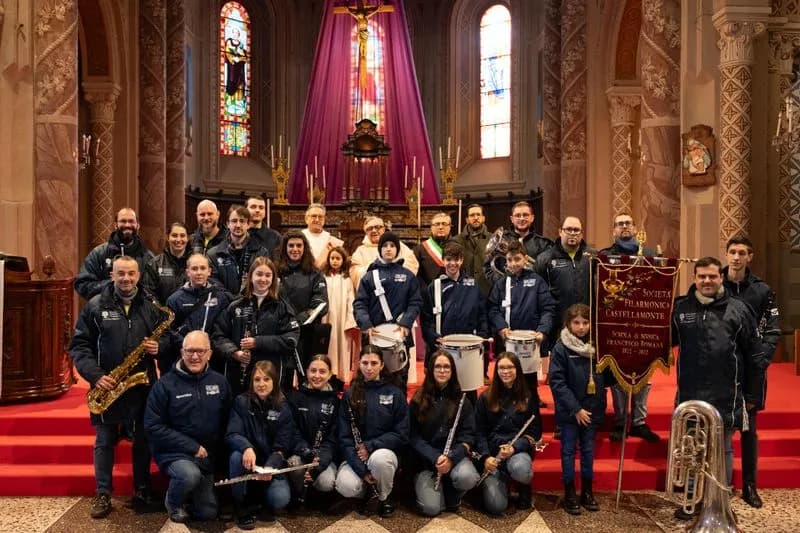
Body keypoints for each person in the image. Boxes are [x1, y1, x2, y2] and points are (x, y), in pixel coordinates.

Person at [69, 255, 169, 519]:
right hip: (108, 385)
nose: (126, 278)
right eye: (121, 273)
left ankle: (142, 488)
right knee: (104, 440)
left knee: (142, 440)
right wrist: (96, 376)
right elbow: (79, 346)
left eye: (131, 274)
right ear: (112, 275)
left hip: (140, 385)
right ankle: (103, 492)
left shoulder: (150, 305)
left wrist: (161, 346)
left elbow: (169, 336)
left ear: (138, 276)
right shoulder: (95, 305)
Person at [671, 256, 766, 520]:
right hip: (690, 394)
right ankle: (693, 500)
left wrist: (753, 395)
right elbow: (660, 342)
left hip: (727, 393)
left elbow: (755, 356)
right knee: (691, 451)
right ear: (694, 278)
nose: (707, 281)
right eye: (702, 276)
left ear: (720, 277)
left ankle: (720, 503)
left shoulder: (739, 310)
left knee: (723, 450)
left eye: (712, 276)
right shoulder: (680, 309)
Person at [144, 331, 232, 524]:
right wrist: (191, 447)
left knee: (208, 513)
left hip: (207, 456)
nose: (194, 357)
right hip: (174, 453)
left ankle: (193, 496)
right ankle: (173, 503)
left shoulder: (220, 382)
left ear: (209, 353)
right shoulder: (164, 385)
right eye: (190, 351)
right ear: (181, 352)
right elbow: (153, 426)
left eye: (200, 351)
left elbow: (228, 420)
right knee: (188, 475)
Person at [723, 236, 781, 508]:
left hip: (750, 372)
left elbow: (772, 328)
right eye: (732, 252)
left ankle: (749, 485)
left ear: (750, 257)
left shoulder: (762, 290)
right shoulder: (714, 283)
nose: (736, 257)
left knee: (749, 431)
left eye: (741, 252)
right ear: (726, 255)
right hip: (719, 369)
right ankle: (717, 483)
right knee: (717, 429)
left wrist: (761, 359)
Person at [599, 213, 660, 443]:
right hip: (617, 324)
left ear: (635, 228)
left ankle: (639, 422)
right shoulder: (604, 256)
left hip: (645, 323)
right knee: (617, 374)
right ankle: (620, 420)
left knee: (645, 373)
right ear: (613, 230)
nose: (624, 227)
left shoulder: (652, 254)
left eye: (627, 223)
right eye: (619, 224)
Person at [548, 304, 615, 515]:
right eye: (576, 323)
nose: (581, 327)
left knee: (588, 451)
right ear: (568, 324)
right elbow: (557, 382)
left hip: (593, 408)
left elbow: (608, 378)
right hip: (571, 412)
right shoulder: (561, 348)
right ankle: (569, 492)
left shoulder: (599, 347)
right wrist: (576, 409)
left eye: (585, 323)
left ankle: (587, 491)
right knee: (568, 451)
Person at [335, 346, 409, 518]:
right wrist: (361, 469)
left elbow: (402, 434)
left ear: (382, 365)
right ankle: (367, 490)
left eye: (374, 363)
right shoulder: (350, 394)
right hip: (357, 455)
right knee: (345, 485)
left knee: (380, 460)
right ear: (359, 364)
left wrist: (370, 446)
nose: (369, 368)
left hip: (384, 453)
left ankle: (384, 497)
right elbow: (345, 438)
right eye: (365, 363)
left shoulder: (395, 393)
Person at [212, 257, 300, 396]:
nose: (263, 279)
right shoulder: (235, 305)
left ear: (273, 278)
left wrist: (258, 342)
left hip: (271, 374)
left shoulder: (281, 306)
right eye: (259, 274)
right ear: (251, 276)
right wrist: (234, 352)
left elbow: (291, 339)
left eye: (268, 275)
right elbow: (218, 335)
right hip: (239, 374)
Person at [409, 350, 480, 517]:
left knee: (468, 477)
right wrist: (435, 457)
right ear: (431, 370)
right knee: (432, 509)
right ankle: (438, 491)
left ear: (452, 371)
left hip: (453, 458)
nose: (442, 371)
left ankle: (452, 493)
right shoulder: (418, 399)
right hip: (427, 461)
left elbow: (468, 436)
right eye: (438, 367)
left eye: (447, 367)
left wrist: (451, 457)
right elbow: (413, 436)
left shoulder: (463, 400)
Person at [225, 360, 295, 529]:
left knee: (280, 499)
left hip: (270, 462)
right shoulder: (241, 402)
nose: (261, 384)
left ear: (274, 381)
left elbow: (282, 447)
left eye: (266, 379)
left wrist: (270, 467)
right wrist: (246, 447)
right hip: (248, 461)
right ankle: (240, 506)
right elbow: (232, 433)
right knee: (236, 456)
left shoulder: (283, 407)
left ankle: (261, 499)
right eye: (257, 380)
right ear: (251, 382)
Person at [535, 216, 594, 407]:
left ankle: (585, 409)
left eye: (576, 230)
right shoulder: (545, 258)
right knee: (560, 373)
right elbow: (540, 294)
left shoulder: (592, 257)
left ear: (582, 233)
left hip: (586, 325)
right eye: (568, 229)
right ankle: (564, 412)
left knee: (584, 371)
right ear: (560, 231)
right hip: (558, 325)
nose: (572, 233)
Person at [488, 240, 556, 404]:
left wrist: (543, 330)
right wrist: (501, 327)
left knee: (529, 372)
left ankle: (532, 397)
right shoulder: (501, 283)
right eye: (509, 260)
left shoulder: (537, 281)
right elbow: (492, 309)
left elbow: (548, 308)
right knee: (506, 369)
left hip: (530, 338)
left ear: (525, 259)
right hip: (507, 338)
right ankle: (507, 397)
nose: (513, 263)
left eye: (517, 259)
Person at [353, 231, 423, 391]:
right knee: (372, 381)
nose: (389, 249)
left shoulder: (408, 276)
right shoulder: (369, 276)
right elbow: (360, 303)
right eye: (385, 246)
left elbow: (415, 302)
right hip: (374, 334)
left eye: (392, 246)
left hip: (400, 335)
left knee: (399, 381)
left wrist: (406, 322)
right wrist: (366, 324)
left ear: (398, 249)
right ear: (379, 249)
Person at [474, 352, 542, 515]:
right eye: (501, 368)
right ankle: (501, 479)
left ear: (517, 369)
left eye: (510, 367)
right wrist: (485, 457)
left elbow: (535, 431)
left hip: (517, 452)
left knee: (521, 470)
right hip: (493, 453)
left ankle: (523, 485)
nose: (506, 371)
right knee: (496, 507)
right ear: (496, 370)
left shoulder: (528, 396)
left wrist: (515, 447)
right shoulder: (485, 397)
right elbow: (479, 432)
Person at [420, 242, 488, 392]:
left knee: (468, 391)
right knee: (442, 392)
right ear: (443, 260)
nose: (452, 263)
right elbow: (426, 319)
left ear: (461, 260)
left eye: (456, 259)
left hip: (468, 349)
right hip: (442, 348)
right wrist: (433, 338)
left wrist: (482, 335)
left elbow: (482, 313)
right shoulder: (434, 286)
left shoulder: (473, 284)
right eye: (449, 259)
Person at [274, 230, 329, 392]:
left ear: (305, 248)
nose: (295, 249)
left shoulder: (315, 273)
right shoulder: (275, 271)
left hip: (306, 332)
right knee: (282, 376)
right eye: (291, 245)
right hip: (281, 332)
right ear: (285, 248)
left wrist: (301, 319)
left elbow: (321, 303)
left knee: (306, 375)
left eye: (299, 245)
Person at [286, 355, 343, 506]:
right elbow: (291, 431)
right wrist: (307, 452)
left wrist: (320, 461)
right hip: (301, 453)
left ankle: (315, 496)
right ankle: (299, 495)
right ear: (307, 372)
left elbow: (333, 438)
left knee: (326, 482)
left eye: (322, 372)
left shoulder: (336, 402)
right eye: (313, 371)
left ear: (330, 374)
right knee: (295, 465)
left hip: (323, 456)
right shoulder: (294, 397)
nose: (317, 376)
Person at [166, 253, 232, 374]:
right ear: (187, 272)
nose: (199, 272)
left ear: (209, 271)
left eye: (203, 268)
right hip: (187, 358)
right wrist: (189, 347)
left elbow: (225, 329)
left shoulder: (222, 297)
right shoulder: (174, 300)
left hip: (214, 358)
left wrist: (210, 347)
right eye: (194, 268)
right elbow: (170, 331)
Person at [75, 207, 155, 300]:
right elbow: (82, 285)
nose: (127, 225)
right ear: (115, 225)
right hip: (106, 310)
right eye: (123, 221)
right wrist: (112, 284)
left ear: (138, 225)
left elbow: (154, 290)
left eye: (131, 221)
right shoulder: (99, 253)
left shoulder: (148, 257)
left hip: (139, 311)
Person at [207, 205, 270, 296]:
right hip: (223, 305)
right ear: (228, 224)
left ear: (248, 224)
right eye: (234, 221)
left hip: (250, 303)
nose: (238, 225)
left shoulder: (261, 253)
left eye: (242, 221)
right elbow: (213, 282)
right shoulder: (213, 254)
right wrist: (231, 300)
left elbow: (263, 281)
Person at [486, 201, 553, 285]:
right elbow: (488, 267)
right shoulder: (501, 239)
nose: (521, 218)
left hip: (534, 292)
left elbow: (550, 271)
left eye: (525, 215)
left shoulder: (544, 244)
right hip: (507, 291)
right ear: (512, 219)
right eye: (517, 215)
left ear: (532, 218)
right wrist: (503, 281)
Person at [321, 246, 359, 380]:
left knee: (342, 348)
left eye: (338, 258)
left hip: (342, 320)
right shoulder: (323, 278)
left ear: (343, 260)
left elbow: (351, 301)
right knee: (327, 348)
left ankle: (340, 378)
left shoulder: (346, 279)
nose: (335, 261)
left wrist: (350, 320)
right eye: (332, 258)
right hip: (326, 318)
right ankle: (327, 376)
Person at [350, 216, 419, 288]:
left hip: (396, 288)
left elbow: (411, 263)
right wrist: (370, 269)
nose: (373, 230)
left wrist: (394, 274)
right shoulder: (360, 251)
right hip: (373, 291)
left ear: (383, 229)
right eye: (369, 229)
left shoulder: (397, 245)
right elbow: (355, 272)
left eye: (377, 227)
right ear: (366, 232)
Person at [143, 222, 189, 304]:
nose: (178, 240)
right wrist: (162, 311)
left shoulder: (196, 264)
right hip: (163, 314)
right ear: (168, 237)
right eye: (174, 235)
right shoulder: (154, 264)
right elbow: (149, 294)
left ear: (187, 238)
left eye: (182, 236)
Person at [453, 203, 492, 296]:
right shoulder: (456, 240)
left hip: (487, 290)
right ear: (467, 219)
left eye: (478, 214)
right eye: (472, 215)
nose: (475, 217)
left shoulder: (493, 238)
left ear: (483, 218)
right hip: (463, 291)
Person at [414, 212, 453, 290]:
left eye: (444, 224)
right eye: (437, 224)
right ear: (431, 228)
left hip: (454, 295)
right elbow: (416, 277)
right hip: (428, 296)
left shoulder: (458, 248)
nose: (440, 227)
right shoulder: (419, 250)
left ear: (450, 227)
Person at [301, 203, 344, 270]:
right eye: (314, 216)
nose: (317, 219)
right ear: (306, 219)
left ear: (324, 220)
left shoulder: (332, 241)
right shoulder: (299, 237)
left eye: (320, 217)